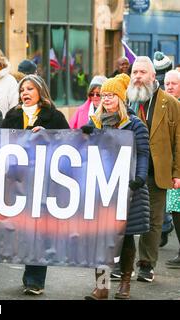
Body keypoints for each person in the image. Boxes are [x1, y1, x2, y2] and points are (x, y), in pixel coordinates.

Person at [82, 74, 150, 299]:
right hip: (101, 189)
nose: (107, 98)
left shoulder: (135, 125)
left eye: (111, 95)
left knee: (127, 238)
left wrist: (139, 178)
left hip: (129, 189)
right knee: (100, 238)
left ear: (121, 98)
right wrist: (85, 137)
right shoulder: (95, 123)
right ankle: (102, 287)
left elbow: (142, 154)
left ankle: (124, 284)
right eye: (104, 95)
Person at [1, 74, 69, 295]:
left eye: (30, 89)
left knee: (39, 231)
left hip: (44, 184)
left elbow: (69, 143)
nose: (25, 93)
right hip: (17, 182)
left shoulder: (54, 117)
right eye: (22, 90)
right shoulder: (12, 115)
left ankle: (35, 280)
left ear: (40, 92)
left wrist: (49, 136)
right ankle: (28, 273)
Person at [127, 56, 180, 283]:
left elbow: (179, 140)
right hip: (128, 173)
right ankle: (124, 263)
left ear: (152, 75)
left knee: (153, 221)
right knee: (126, 219)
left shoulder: (171, 104)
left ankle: (146, 265)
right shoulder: (126, 101)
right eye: (134, 73)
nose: (137, 77)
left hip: (156, 172)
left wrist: (177, 172)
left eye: (141, 72)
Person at [164, 69, 180, 268]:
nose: (168, 87)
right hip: (170, 168)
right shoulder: (166, 105)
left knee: (177, 210)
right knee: (175, 210)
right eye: (166, 83)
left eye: (173, 84)